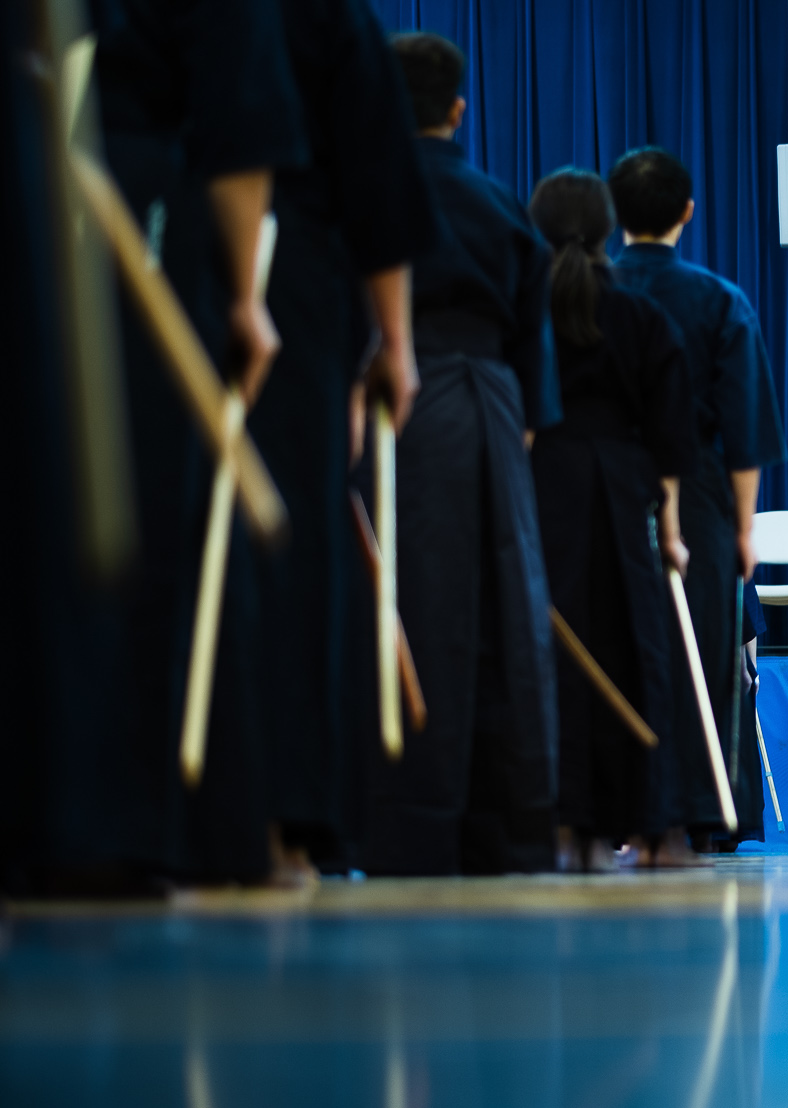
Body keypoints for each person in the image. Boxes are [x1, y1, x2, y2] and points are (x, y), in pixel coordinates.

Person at [74, 0, 306, 885]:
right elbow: (240, 124)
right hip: (142, 207)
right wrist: (246, 293)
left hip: (66, 197)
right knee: (155, 510)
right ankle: (151, 820)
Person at [360, 31, 562, 875]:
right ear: (458, 110)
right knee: (503, 616)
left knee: (405, 602)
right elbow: (531, 336)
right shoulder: (500, 203)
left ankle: (395, 818)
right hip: (491, 404)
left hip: (391, 402)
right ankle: (502, 821)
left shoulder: (362, 193)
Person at [248, 0, 438, 880]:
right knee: (290, 550)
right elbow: (375, 182)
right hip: (290, 282)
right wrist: (393, 343)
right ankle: (282, 817)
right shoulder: (324, 19)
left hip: (150, 250)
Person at [607, 146, 786, 856]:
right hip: (706, 497)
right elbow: (746, 431)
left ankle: (614, 810)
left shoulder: (582, 290)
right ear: (687, 211)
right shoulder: (718, 302)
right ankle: (698, 814)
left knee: (613, 641)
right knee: (703, 654)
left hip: (605, 488)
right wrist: (743, 529)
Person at [526, 170, 696, 872]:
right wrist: (675, 531)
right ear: (606, 229)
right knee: (638, 652)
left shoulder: (525, 310)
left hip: (543, 487)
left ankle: (566, 828)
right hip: (626, 492)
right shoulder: (643, 316)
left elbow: (524, 417)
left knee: (552, 654)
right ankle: (651, 825)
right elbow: (671, 440)